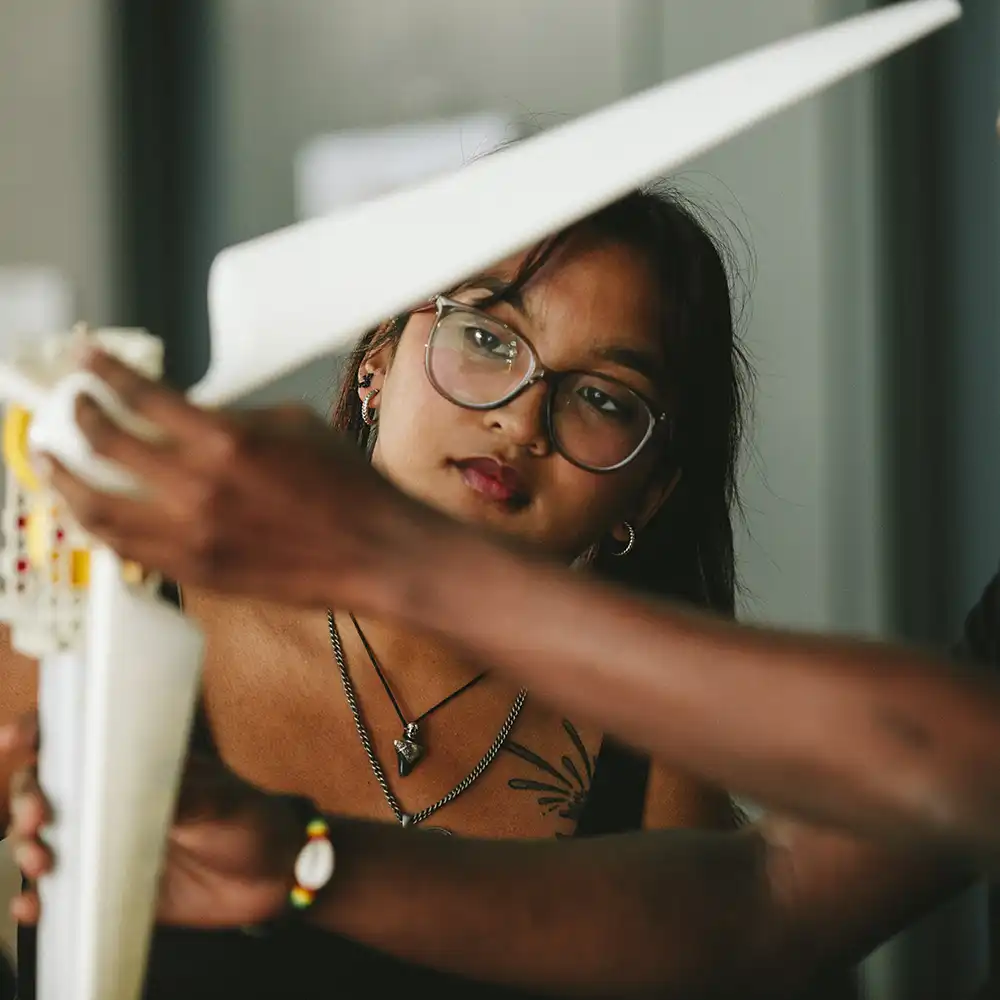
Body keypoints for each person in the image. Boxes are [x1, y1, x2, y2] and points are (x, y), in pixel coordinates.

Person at [2, 187, 756, 999]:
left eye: (602, 396)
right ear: (378, 362)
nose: (523, 418)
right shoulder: (106, 618)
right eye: (486, 337)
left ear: (647, 492)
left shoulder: (664, 771)